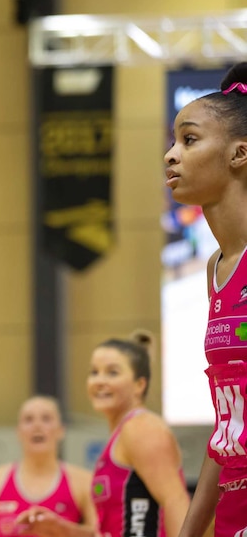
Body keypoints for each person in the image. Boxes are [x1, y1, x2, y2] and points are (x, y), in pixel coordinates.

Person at [164, 64, 247, 537]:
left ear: (239, 154)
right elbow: (227, 432)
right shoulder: (216, 272)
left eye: (189, 140)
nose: (171, 155)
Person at [18, 331, 190, 537]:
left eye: (112, 372)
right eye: (94, 372)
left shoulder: (141, 428)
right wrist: (61, 529)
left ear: (139, 385)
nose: (99, 381)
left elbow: (176, 501)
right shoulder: (121, 435)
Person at [0, 396, 96, 537]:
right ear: (18, 431)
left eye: (46, 419)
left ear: (61, 430)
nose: (37, 426)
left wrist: (63, 529)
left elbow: (101, 534)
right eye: (29, 419)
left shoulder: (84, 481)